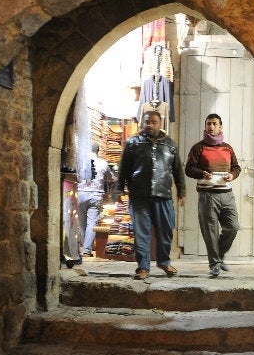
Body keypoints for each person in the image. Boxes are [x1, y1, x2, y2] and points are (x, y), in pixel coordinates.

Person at [116, 109, 186, 279]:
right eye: (147, 122)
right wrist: (119, 188)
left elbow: (177, 169)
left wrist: (182, 191)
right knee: (141, 233)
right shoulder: (132, 143)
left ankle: (164, 262)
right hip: (139, 195)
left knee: (166, 231)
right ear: (142, 123)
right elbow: (123, 167)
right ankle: (142, 267)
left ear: (160, 123)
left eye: (154, 122)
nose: (150, 125)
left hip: (163, 194)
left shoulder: (170, 144)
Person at [184, 113, 242, 279]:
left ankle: (219, 255)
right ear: (205, 126)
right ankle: (214, 265)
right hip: (208, 195)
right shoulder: (198, 148)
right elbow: (189, 169)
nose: (211, 126)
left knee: (233, 227)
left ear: (220, 127)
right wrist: (202, 173)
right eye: (208, 123)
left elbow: (237, 167)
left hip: (227, 194)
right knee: (210, 231)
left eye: (214, 124)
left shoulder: (227, 148)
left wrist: (232, 174)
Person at [75, 141, 115, 260]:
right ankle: (87, 249)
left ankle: (85, 246)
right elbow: (110, 178)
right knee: (91, 223)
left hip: (81, 193)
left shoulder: (80, 163)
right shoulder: (103, 163)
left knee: (81, 223)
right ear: (98, 151)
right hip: (96, 195)